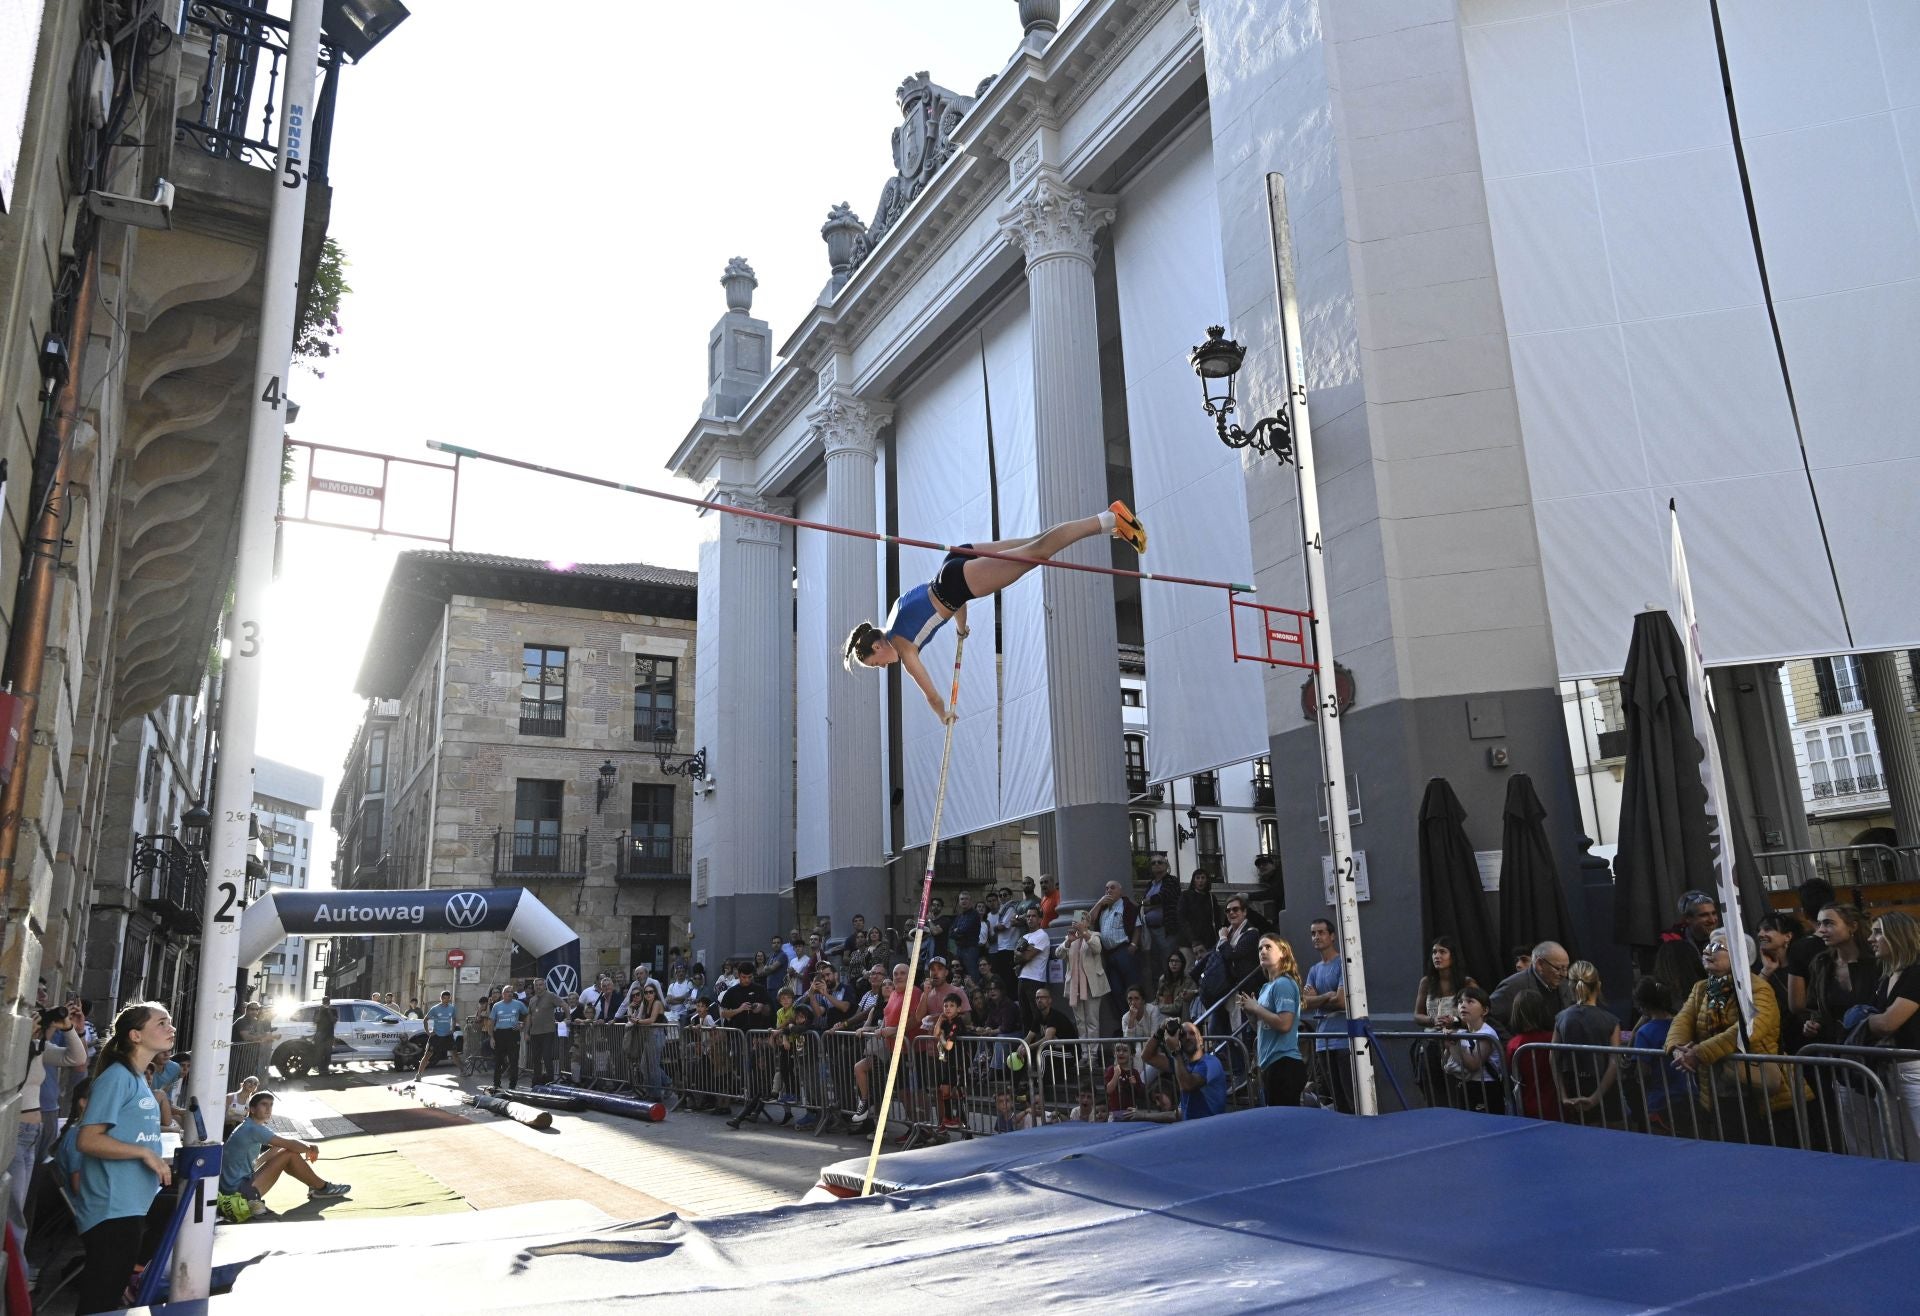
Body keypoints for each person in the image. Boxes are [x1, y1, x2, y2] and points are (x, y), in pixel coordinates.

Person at [843, 504, 1148, 722]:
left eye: (876, 664)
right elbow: (949, 602)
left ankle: (1110, 518)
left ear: (878, 647)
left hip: (958, 582)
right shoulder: (896, 611)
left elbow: (931, 695)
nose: (884, 666)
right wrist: (961, 629)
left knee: (1039, 551)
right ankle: (1110, 523)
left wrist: (943, 714)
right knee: (1035, 542)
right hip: (952, 567)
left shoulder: (903, 646)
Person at [74, 1001, 174, 1315]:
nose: (170, 1028)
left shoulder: (137, 1078)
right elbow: (88, 1139)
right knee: (100, 1303)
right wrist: (144, 1153)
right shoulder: (117, 1077)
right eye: (161, 1023)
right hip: (111, 1208)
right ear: (135, 1035)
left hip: (130, 1205)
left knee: (108, 1298)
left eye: (169, 1022)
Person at [1667, 928, 1800, 1147]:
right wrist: (1677, 1049)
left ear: (1739, 956)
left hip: (1758, 1092)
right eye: (1708, 946)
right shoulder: (1702, 988)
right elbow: (1682, 1021)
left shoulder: (1758, 988)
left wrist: (1699, 1053)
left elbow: (1749, 1029)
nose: (1708, 951)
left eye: (1718, 947)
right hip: (1720, 1090)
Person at [8, 1002, 86, 1272]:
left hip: (32, 1134)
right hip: (15, 1132)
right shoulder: (13, 1047)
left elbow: (76, 1059)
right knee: (14, 1210)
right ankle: (17, 1277)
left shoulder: (39, 1048)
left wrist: (69, 1028)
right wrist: (19, 1039)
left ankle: (16, 1272)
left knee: (20, 1205)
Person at [1850, 911, 1920, 1159]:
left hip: (1913, 1068)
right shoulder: (1887, 976)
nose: (1871, 939)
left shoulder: (1916, 972)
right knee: (1897, 1146)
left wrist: (1865, 1020)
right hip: (1887, 1068)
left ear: (1898, 935)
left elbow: (1889, 1023)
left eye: (1878, 932)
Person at [218, 1091, 347, 1217]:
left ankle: (317, 1186)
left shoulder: (247, 1126)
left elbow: (275, 1148)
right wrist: (310, 1148)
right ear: (252, 1109)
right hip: (238, 1196)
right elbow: (289, 1144)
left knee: (285, 1151)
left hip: (233, 1190)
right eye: (264, 1104)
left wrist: (306, 1146)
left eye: (271, 1104)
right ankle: (322, 1187)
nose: (268, 1108)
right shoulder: (254, 1129)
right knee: (289, 1154)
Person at [1239, 933, 1306, 1109]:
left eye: (1268, 947)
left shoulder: (1283, 983)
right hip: (1270, 1063)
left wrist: (1256, 1008)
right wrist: (1251, 1013)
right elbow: (1261, 1028)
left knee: (1285, 1120)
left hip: (1285, 1063)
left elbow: (1284, 1024)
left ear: (1283, 952)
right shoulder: (1266, 987)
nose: (1263, 951)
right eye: (1260, 948)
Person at [1553, 961, 1623, 1125]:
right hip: (1603, 1089)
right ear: (1598, 985)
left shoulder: (1561, 1018)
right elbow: (1614, 1062)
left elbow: (1553, 1057)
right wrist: (1595, 1098)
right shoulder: (1610, 1021)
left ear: (1570, 986)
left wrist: (1563, 1096)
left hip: (1572, 1087)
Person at [1301, 918, 1352, 1113]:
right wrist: (1326, 996)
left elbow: (1341, 1001)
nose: (1316, 937)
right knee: (1336, 1098)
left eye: (1321, 932)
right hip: (1323, 1040)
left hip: (1344, 1039)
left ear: (1332, 936)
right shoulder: (1314, 970)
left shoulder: (1342, 963)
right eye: (1313, 933)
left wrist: (1317, 999)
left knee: (1350, 1097)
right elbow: (1305, 1003)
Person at [1626, 977, 1682, 1134]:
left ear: (1642, 1006)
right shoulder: (1681, 1025)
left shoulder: (1644, 1033)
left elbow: (1642, 1072)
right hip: (1688, 1095)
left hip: (1660, 1100)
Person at [1141, 1019, 1227, 1120]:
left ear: (1200, 1039)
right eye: (1182, 1035)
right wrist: (1160, 1030)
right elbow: (1147, 1057)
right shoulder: (1181, 1064)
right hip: (1191, 1125)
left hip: (1210, 1125)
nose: (1187, 1037)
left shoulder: (1210, 1063)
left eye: (1192, 1033)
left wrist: (1175, 1051)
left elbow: (1187, 1085)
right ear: (1179, 1041)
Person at [1488, 941, 1573, 1038]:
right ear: (1540, 964)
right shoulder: (1513, 986)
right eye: (1558, 968)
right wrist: (1510, 1042)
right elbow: (1488, 1016)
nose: (1564, 974)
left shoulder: (1566, 985)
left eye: (1566, 968)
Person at [1440, 986, 1502, 1113]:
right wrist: (1449, 1045)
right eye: (1460, 1002)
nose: (1463, 1005)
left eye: (1470, 1001)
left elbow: (1473, 1064)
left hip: (1484, 1088)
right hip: (1465, 1086)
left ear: (1484, 1010)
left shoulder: (1487, 1033)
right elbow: (1446, 1064)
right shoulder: (1461, 1032)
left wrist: (1454, 1044)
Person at [1503, 989, 1561, 1122]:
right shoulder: (1553, 1038)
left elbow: (1512, 1075)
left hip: (1527, 1105)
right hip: (1556, 1104)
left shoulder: (1514, 1044)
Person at [1062, 911, 1110, 1040]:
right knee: (1080, 1021)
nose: (1079, 921)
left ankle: (1093, 1052)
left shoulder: (1094, 935)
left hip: (1092, 984)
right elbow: (1059, 954)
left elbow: (1097, 948)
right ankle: (1084, 1051)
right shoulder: (1069, 937)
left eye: (1083, 919)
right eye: (1077, 919)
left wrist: (1084, 933)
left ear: (1088, 923)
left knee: (1092, 1021)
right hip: (1074, 985)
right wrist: (1068, 942)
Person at [488, 983, 530, 1090]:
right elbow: (491, 1022)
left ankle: (512, 1086)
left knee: (514, 1060)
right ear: (503, 994)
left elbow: (527, 1015)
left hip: (513, 1034)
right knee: (498, 1061)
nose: (510, 993)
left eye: (511, 992)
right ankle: (496, 1084)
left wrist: (522, 1025)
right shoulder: (496, 1006)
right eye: (507, 992)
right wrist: (491, 1037)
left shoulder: (518, 1004)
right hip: (500, 1034)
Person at [1178, 871, 1222, 962]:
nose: (1200, 881)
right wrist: (1193, 940)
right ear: (1193, 880)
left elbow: (1217, 920)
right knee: (1189, 968)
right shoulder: (1186, 895)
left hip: (1208, 943)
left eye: (1203, 878)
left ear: (1207, 880)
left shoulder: (1211, 898)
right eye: (1197, 878)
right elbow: (1181, 918)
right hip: (1188, 943)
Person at [416, 990, 459, 1081]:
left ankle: (463, 1071)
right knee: (427, 1055)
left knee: (455, 1054)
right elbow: (425, 1020)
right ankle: (419, 1075)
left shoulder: (452, 1008)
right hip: (436, 1036)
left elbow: (454, 1018)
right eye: (444, 998)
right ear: (441, 998)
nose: (446, 1000)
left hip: (447, 1035)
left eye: (448, 998)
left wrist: (452, 1029)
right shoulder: (435, 1009)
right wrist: (428, 1032)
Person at [1156, 949, 1197, 1022]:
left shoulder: (1188, 980)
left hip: (1181, 1015)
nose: (1174, 964)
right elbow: (1157, 1000)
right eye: (1171, 961)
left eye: (1177, 961)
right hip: (1164, 1013)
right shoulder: (1163, 979)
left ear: (1182, 963)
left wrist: (1159, 1007)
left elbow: (1177, 1007)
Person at [310, 996, 338, 1079]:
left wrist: (329, 1011)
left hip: (329, 1035)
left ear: (329, 1002)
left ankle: (326, 1069)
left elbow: (334, 1020)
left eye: (327, 1002)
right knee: (319, 1053)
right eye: (324, 1002)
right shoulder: (318, 1010)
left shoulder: (333, 1010)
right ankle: (320, 1070)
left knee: (328, 1054)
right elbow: (315, 1020)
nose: (325, 1003)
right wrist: (321, 1011)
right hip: (320, 1035)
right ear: (322, 1002)